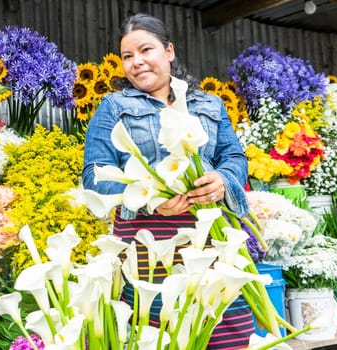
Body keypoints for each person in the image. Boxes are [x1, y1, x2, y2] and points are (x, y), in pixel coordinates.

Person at [82, 12, 254, 349]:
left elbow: (235, 159)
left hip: (213, 240)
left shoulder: (209, 105)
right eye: (127, 57)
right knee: (158, 334)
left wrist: (222, 180)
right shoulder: (114, 106)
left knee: (225, 333)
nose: (137, 62)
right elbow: (93, 177)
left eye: (146, 50)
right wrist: (146, 197)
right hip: (147, 243)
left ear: (169, 52)